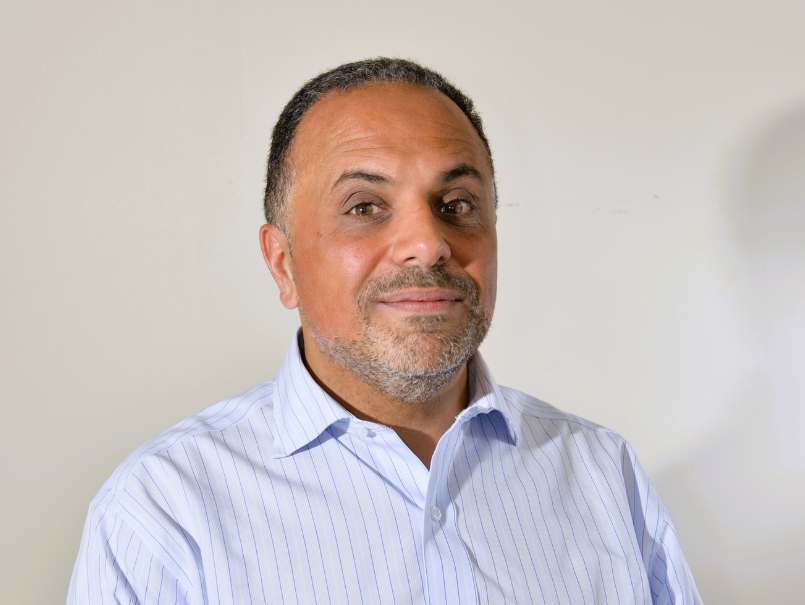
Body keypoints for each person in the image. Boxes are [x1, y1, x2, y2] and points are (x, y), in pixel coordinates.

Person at [67, 58, 702, 605]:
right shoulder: (162, 511)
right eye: (365, 207)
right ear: (282, 264)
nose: (428, 243)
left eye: (458, 204)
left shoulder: (601, 473)